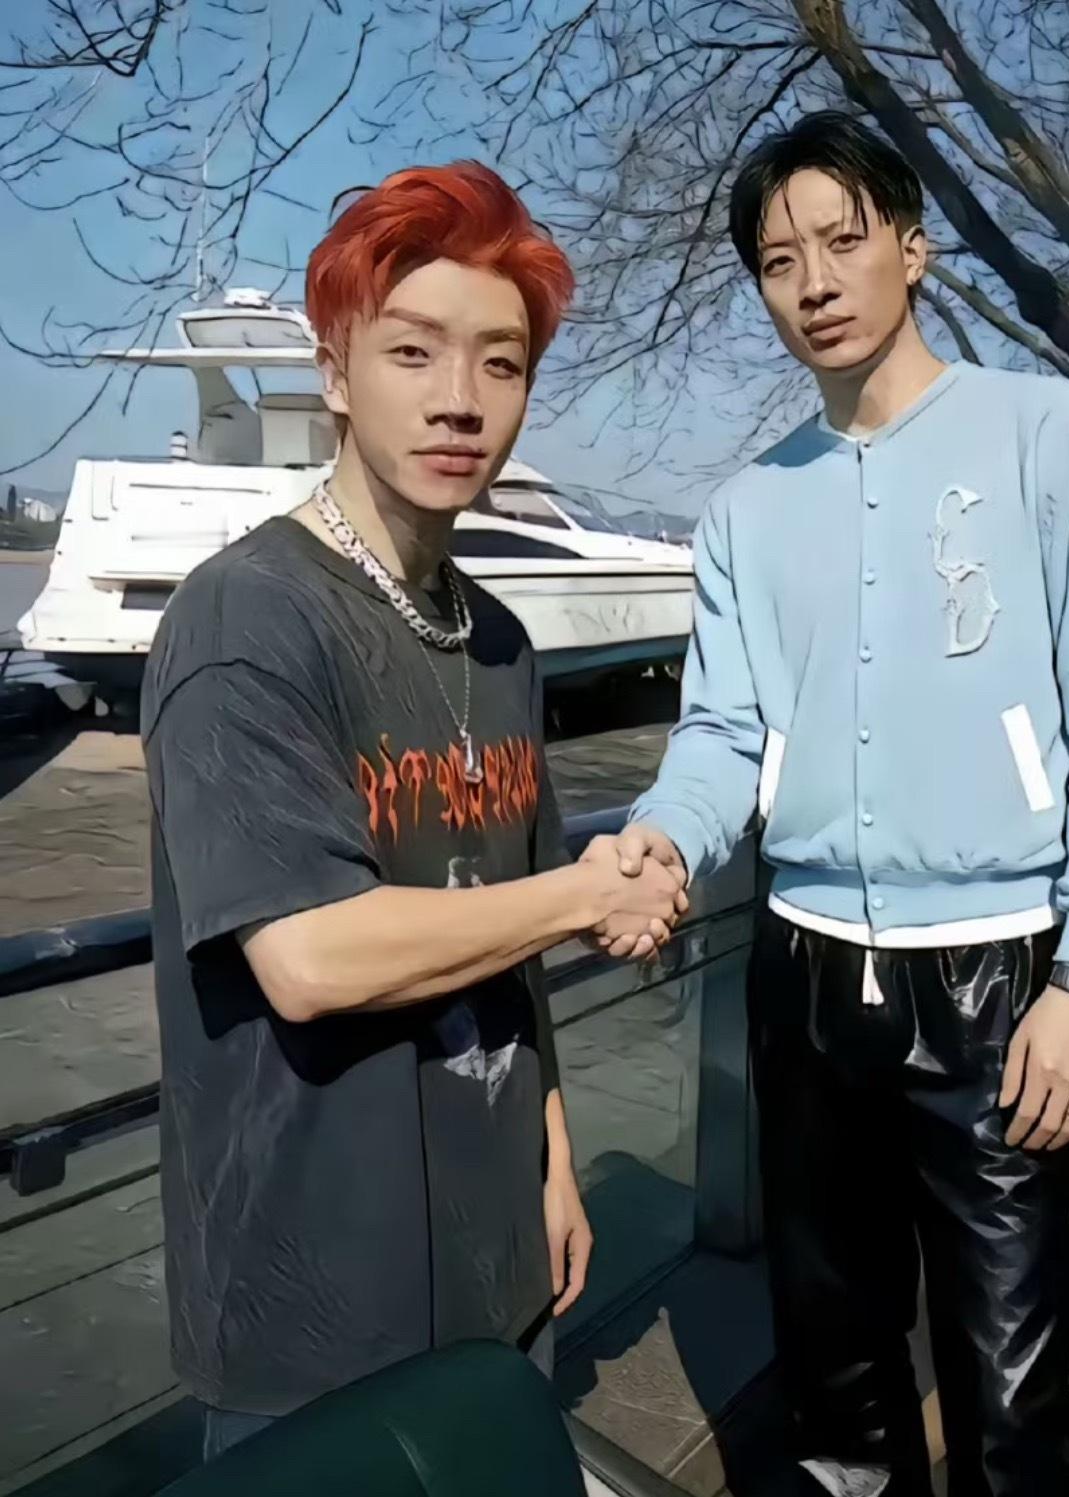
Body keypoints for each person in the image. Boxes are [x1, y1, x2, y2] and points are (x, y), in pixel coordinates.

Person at [602, 114, 1069, 1495]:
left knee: (1024, 1399)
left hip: (1000, 982)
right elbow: (724, 733)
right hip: (802, 981)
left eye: (843, 240)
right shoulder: (747, 509)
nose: (814, 282)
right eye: (777, 259)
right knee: (836, 1391)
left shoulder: (1053, 436)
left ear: (912, 249)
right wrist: (662, 836)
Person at [141, 162, 687, 1462]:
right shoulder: (246, 618)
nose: (461, 398)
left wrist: (553, 1160)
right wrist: (591, 892)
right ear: (335, 370)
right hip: (311, 1298)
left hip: (499, 1269)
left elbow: (510, 948)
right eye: (413, 351)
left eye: (502, 363)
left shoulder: (499, 641)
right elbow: (310, 956)